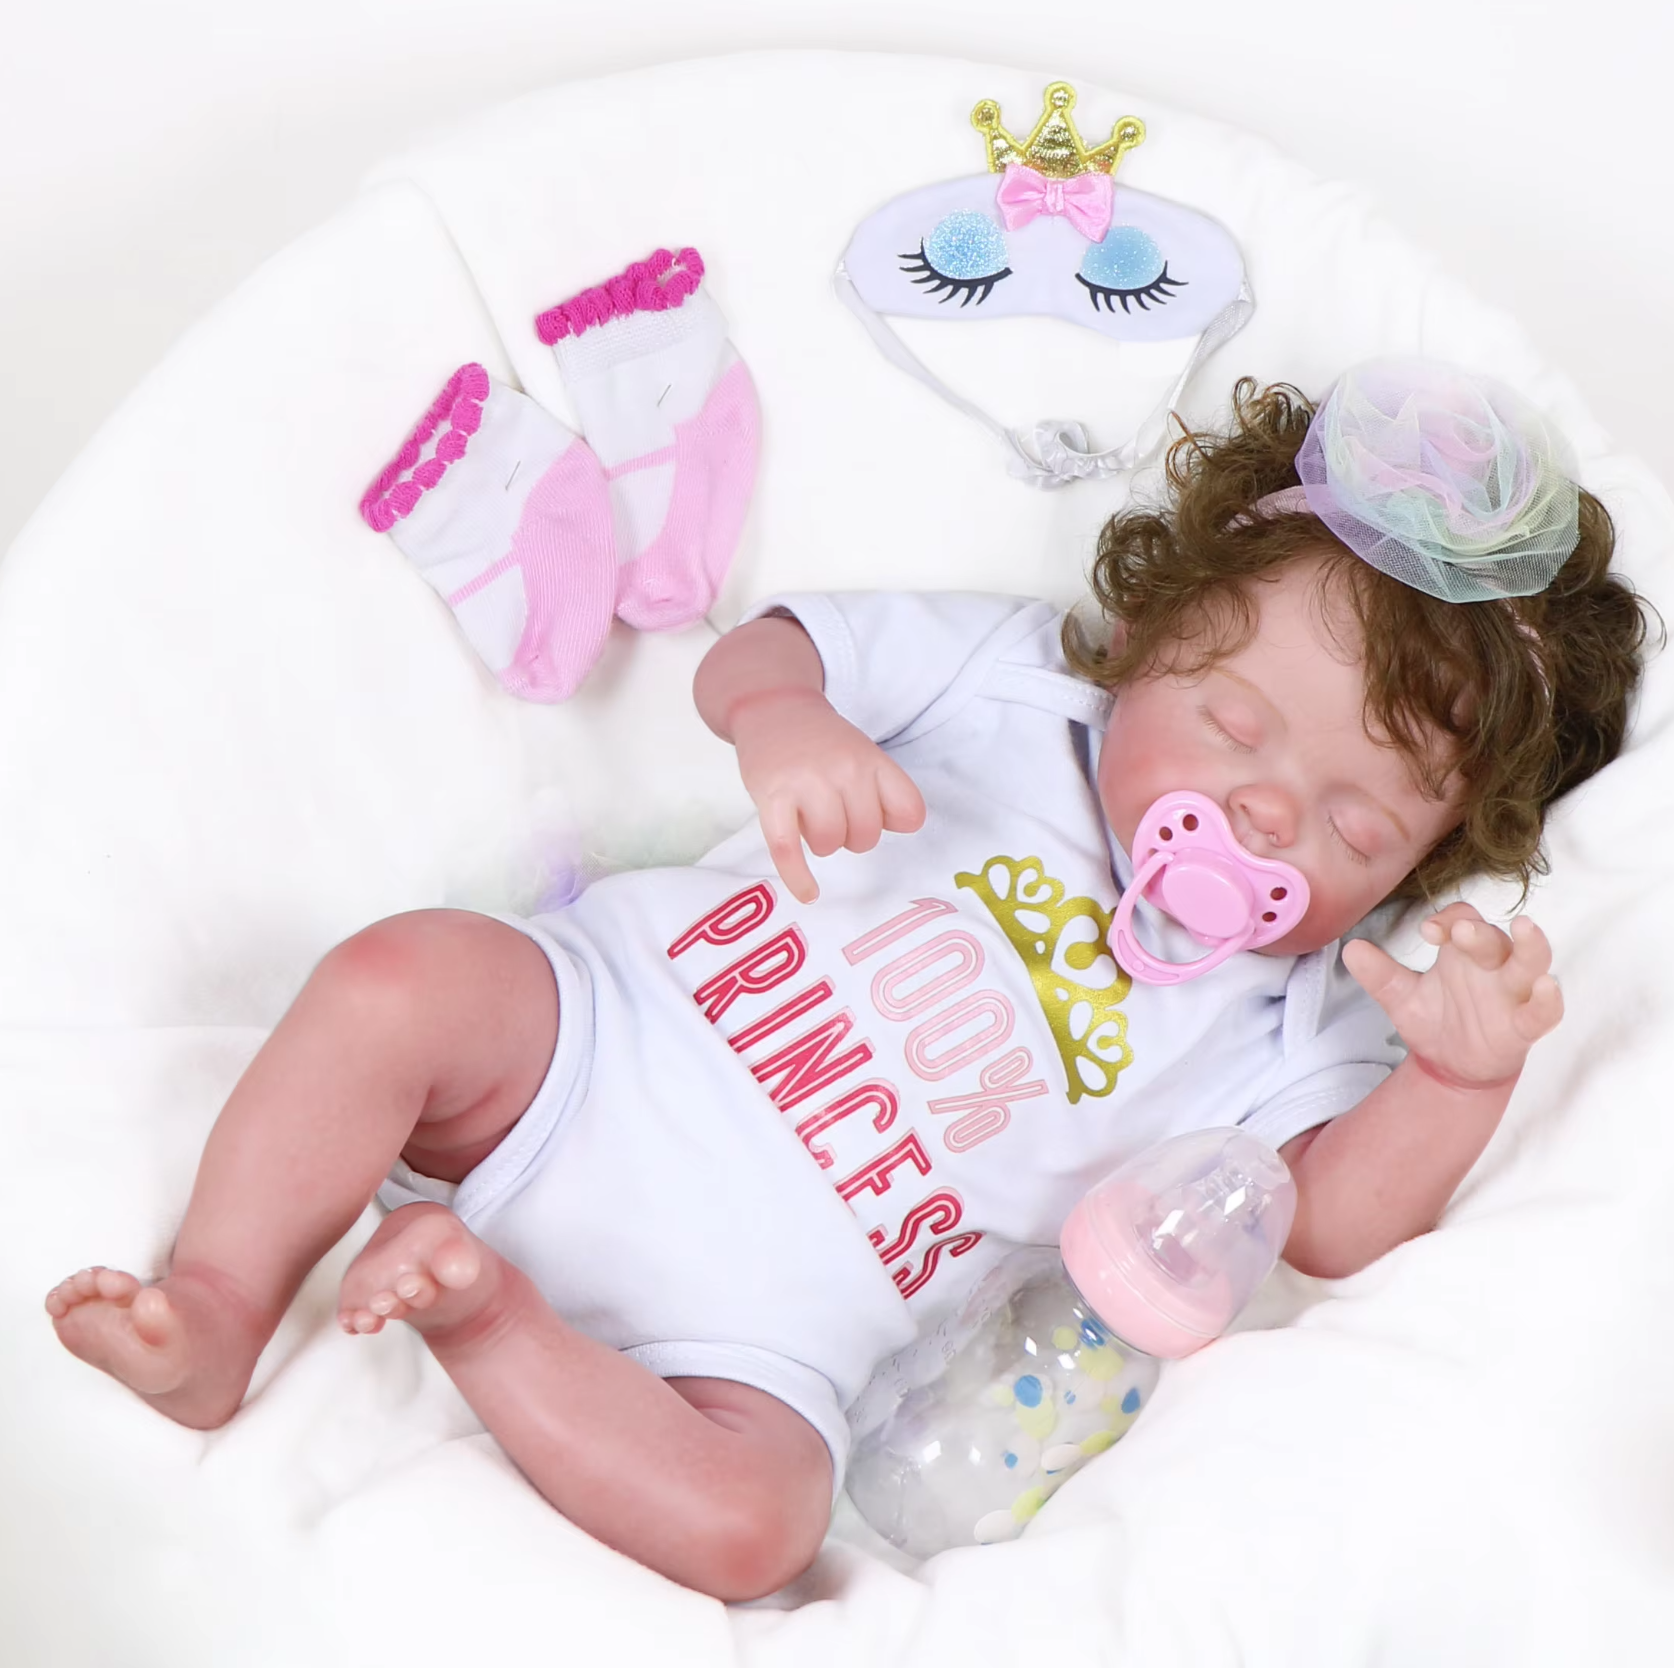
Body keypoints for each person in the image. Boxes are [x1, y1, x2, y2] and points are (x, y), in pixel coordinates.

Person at [43, 361, 1650, 1602]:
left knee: (756, 1527)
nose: (1264, 809)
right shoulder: (1011, 686)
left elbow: (1330, 1225)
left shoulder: (1297, 1011)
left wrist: (1459, 1075)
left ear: (1420, 865)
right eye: (1232, 726)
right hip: (588, 1048)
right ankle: (221, 1305)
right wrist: (785, 724)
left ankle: (490, 1320)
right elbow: (767, 651)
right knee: (400, 979)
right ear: (1144, 638)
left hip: (755, 1325)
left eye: (1355, 825)